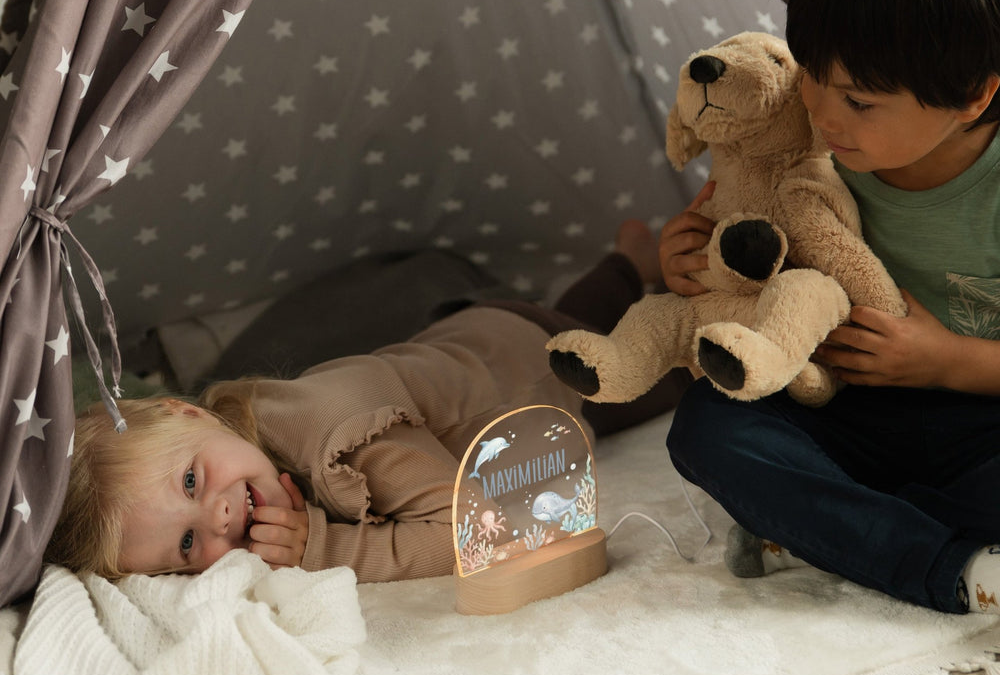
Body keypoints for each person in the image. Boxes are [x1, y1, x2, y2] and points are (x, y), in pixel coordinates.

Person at [663, 0, 1000, 614]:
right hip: (848, 405)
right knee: (709, 426)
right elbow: (734, 238)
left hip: (982, 417)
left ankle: (844, 528)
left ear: (972, 97)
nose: (818, 110)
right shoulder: (801, 136)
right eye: (811, 72)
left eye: (859, 102)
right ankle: (956, 566)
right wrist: (691, 260)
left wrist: (946, 360)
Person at [46, 221, 689, 584]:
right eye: (187, 545)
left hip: (542, 378)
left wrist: (320, 551)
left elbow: (471, 532)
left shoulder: (339, 442)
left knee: (668, 370)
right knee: (579, 311)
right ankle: (627, 260)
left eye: (191, 479)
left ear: (192, 413)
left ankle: (648, 270)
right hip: (471, 339)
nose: (215, 519)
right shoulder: (253, 442)